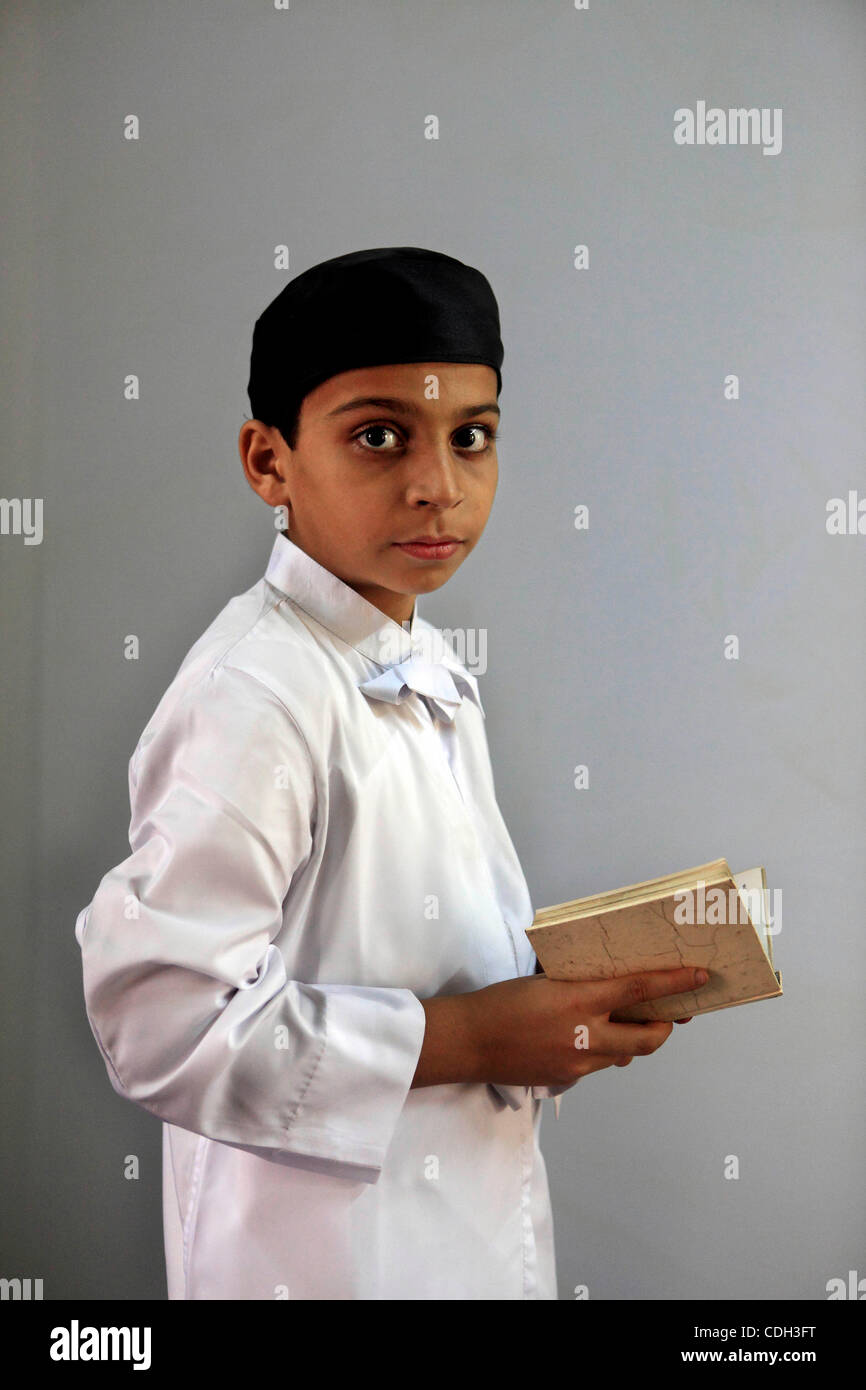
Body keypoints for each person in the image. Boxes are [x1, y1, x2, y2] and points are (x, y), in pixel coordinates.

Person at [74, 246, 706, 1300]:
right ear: (268, 462)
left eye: (472, 438)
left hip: (455, 1240)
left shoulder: (417, 663)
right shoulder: (257, 691)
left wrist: (550, 1005)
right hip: (318, 1264)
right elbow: (158, 1023)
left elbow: (398, 939)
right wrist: (468, 1037)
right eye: (379, 436)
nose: (436, 485)